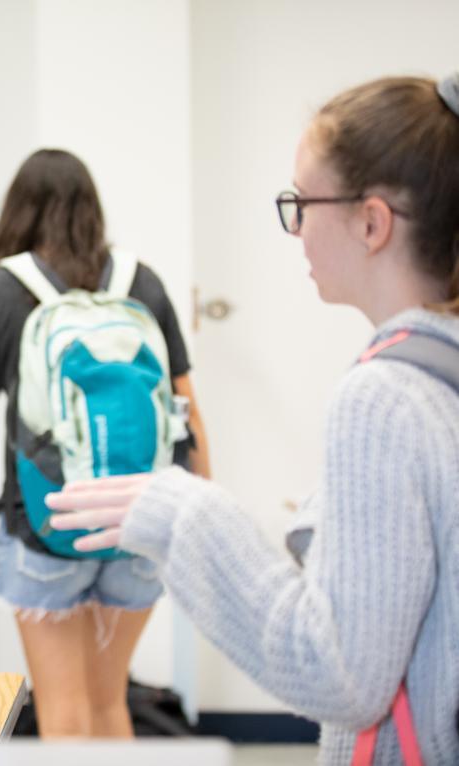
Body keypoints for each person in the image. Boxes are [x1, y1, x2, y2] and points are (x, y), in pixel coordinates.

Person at [45, 74, 459, 762]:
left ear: (372, 222)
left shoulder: (381, 398)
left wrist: (188, 515)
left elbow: (340, 677)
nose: (295, 226)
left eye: (302, 201)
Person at [0, 148, 210, 738]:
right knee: (110, 705)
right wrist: (201, 507)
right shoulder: (141, 281)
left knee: (64, 710)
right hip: (139, 521)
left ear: (19, 211)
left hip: (47, 522)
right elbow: (187, 408)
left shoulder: (11, 287)